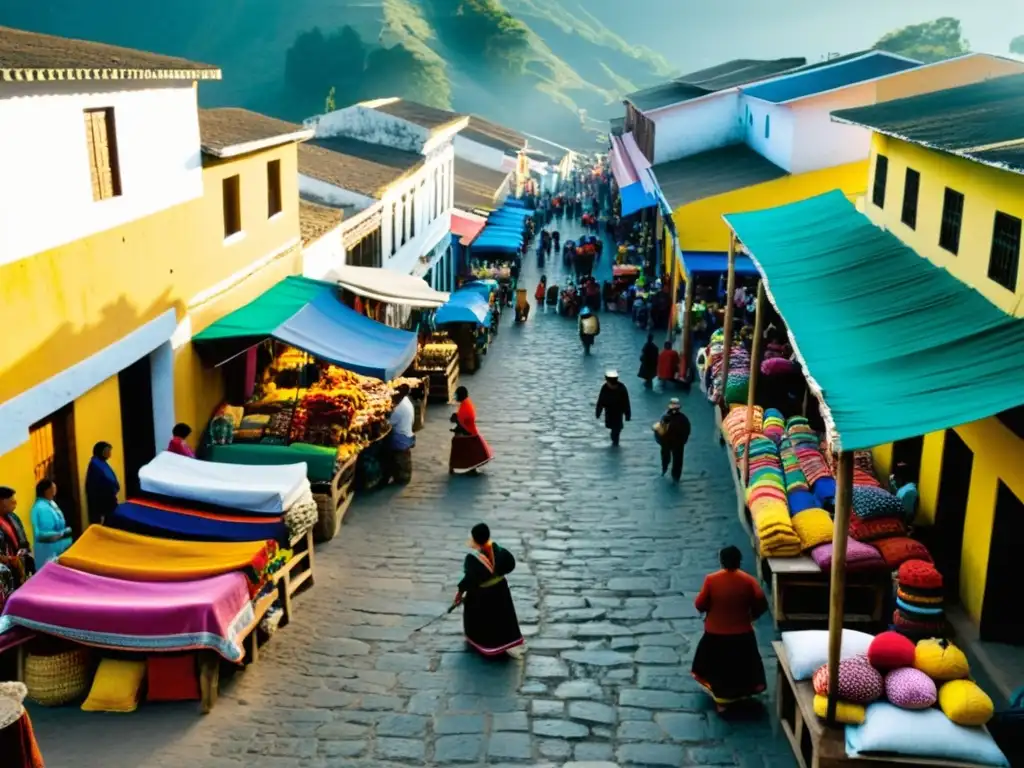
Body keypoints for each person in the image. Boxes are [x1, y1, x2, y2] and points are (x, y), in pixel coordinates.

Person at [692, 546, 768, 712]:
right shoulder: (749, 580)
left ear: (721, 561)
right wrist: (751, 616)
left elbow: (700, 604)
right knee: (742, 667)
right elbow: (761, 602)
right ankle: (741, 695)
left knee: (716, 668)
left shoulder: (711, 580)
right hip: (742, 633)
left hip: (715, 633)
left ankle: (721, 699)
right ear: (739, 561)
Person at [455, 523, 525, 658]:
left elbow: (468, 579)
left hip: (483, 595)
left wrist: (460, 592)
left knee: (483, 618)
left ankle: (486, 644)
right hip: (500, 591)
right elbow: (511, 564)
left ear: (474, 539)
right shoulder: (499, 551)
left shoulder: (473, 559)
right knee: (501, 617)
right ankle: (505, 641)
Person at [449, 387, 495, 474]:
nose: (456, 397)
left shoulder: (465, 406)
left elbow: (462, 424)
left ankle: (453, 466)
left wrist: (456, 425)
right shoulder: (466, 403)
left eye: (457, 395)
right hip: (471, 432)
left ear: (461, 395)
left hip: (469, 434)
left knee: (455, 440)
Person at [0, 488, 34, 605]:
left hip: (18, 567)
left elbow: (23, 540)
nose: (15, 503)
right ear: (1, 501)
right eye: (11, 500)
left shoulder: (13, 517)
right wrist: (8, 559)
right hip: (3, 573)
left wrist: (24, 553)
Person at [30, 480, 72, 565]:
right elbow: (44, 534)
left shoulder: (51, 503)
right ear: (48, 490)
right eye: (53, 488)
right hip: (48, 553)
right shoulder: (41, 508)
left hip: (58, 552)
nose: (55, 490)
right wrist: (64, 533)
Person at [656, 398, 691, 481]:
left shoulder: (680, 418)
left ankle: (668, 473)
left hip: (674, 443)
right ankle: (670, 474)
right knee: (673, 460)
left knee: (674, 461)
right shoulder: (681, 418)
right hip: (672, 443)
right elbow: (687, 430)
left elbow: (687, 430)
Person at [84, 441, 119, 525]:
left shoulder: (101, 463)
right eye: (107, 451)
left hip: (108, 500)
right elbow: (99, 484)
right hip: (102, 502)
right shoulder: (95, 464)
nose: (109, 453)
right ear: (101, 451)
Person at [387, 384, 416, 485]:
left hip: (400, 437)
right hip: (408, 433)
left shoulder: (398, 409)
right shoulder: (406, 400)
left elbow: (387, 423)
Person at [595, 371, 631, 446]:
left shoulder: (622, 388)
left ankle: (615, 443)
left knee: (617, 430)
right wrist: (598, 412)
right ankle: (614, 442)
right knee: (612, 429)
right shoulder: (605, 387)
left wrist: (627, 415)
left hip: (618, 413)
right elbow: (600, 401)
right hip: (609, 412)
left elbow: (626, 402)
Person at [889, 462, 920, 527]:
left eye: (895, 479)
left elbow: (907, 515)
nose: (893, 482)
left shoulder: (909, 492)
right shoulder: (904, 489)